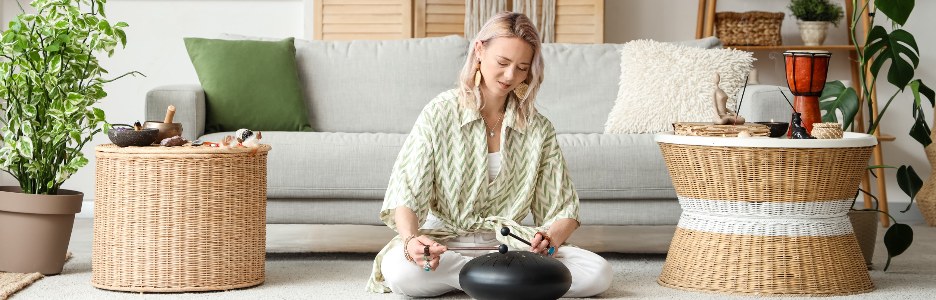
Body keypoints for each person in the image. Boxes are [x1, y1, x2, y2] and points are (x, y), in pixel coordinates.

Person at [366, 12, 612, 297]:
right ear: (480, 50)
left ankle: (484, 280)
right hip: (447, 245)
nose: (510, 76)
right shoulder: (440, 113)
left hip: (509, 247)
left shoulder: (538, 128)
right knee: (400, 271)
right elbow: (406, 193)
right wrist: (411, 242)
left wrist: (549, 239)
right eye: (503, 63)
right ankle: (505, 282)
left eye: (521, 68)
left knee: (598, 273)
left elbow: (563, 210)